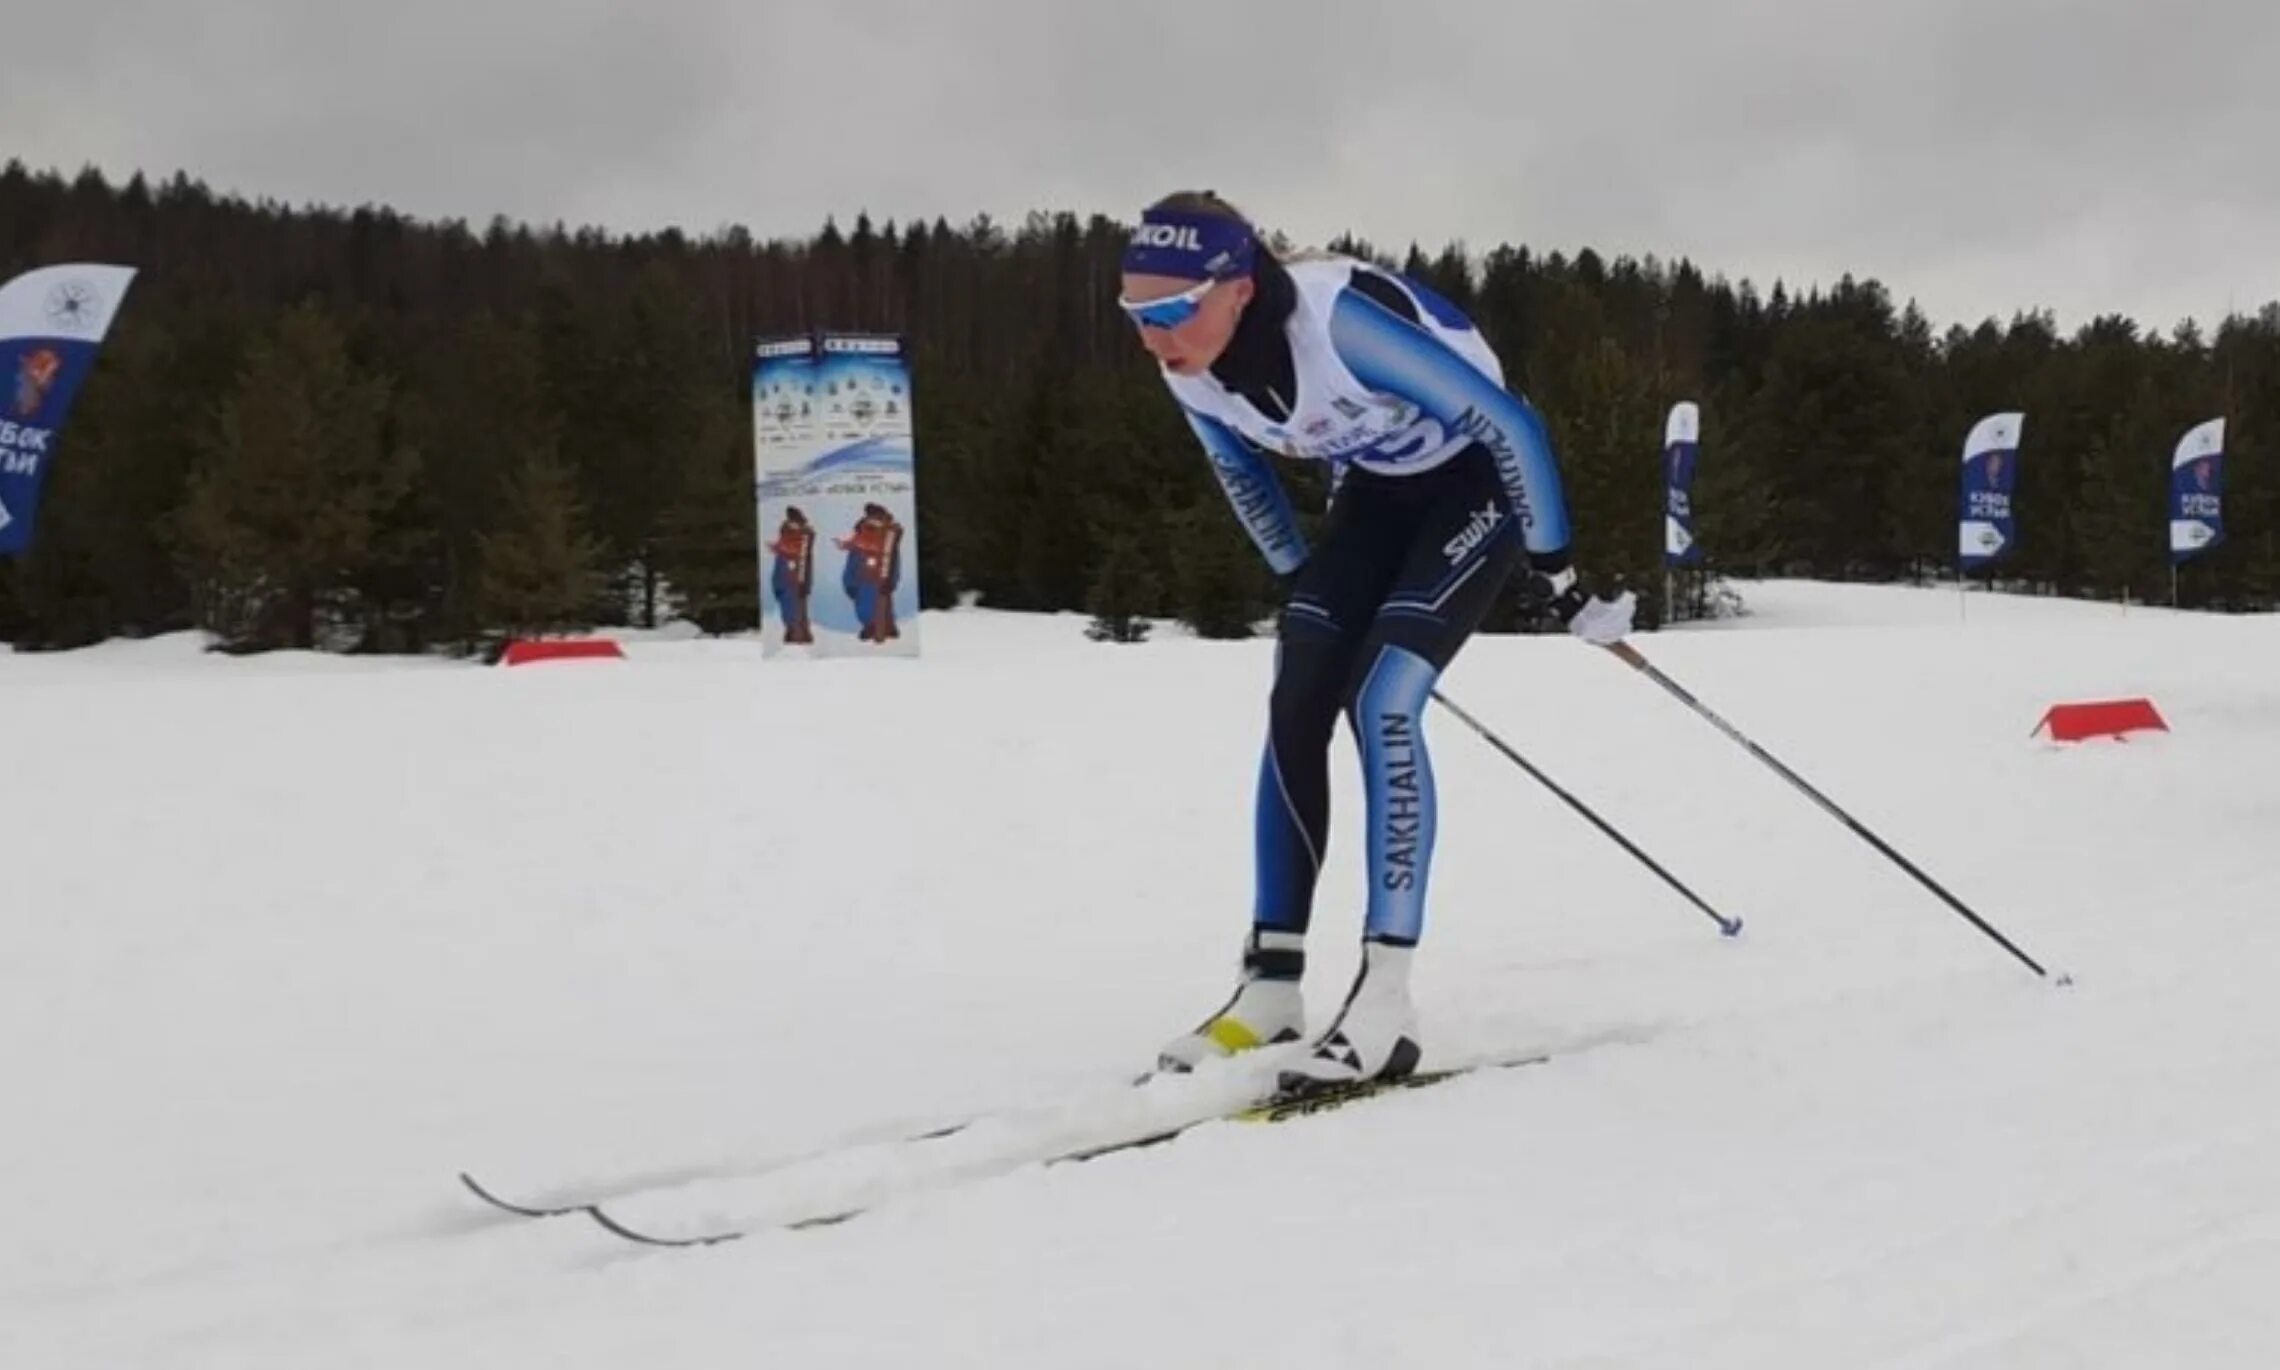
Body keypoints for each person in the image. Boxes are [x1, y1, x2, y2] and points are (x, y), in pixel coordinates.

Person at [1119, 191, 1635, 1092]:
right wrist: (1301, 583)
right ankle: (1270, 987)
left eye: (1171, 310)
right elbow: (1239, 472)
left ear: (1237, 288)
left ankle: (1386, 1002)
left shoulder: (1336, 323)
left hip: (1472, 487)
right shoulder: (1188, 371)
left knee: (1384, 698)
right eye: (1136, 314)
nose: (1154, 335)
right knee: (1298, 692)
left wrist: (1557, 570)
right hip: (1375, 500)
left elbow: (1511, 425)